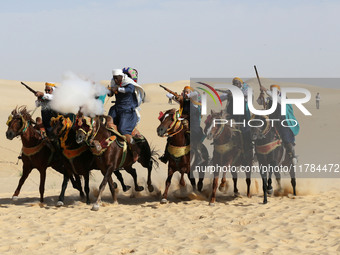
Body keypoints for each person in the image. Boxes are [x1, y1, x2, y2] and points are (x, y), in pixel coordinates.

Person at [159, 86, 205, 164]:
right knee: (171, 137)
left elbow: (195, 93)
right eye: (185, 91)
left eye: (187, 91)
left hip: (193, 125)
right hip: (183, 124)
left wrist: (186, 95)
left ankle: (200, 157)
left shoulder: (195, 100)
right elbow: (168, 95)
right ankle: (166, 156)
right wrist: (175, 96)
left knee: (194, 140)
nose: (186, 93)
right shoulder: (183, 101)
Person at [107, 69, 145, 162]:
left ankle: (135, 149)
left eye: (117, 78)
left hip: (127, 111)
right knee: (107, 125)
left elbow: (130, 90)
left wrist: (117, 89)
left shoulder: (128, 82)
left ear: (121, 76)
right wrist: (110, 91)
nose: (115, 81)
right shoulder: (114, 82)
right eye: (114, 78)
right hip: (116, 109)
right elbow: (111, 93)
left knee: (123, 130)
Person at [259, 84, 299, 164]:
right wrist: (261, 95)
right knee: (259, 131)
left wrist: (266, 90)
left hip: (281, 120)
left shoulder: (283, 97)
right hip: (271, 120)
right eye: (271, 91)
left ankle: (292, 155)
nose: (273, 93)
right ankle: (258, 153)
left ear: (278, 91)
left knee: (286, 135)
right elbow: (260, 102)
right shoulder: (269, 98)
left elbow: (277, 100)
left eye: (274, 91)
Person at [219, 77, 253, 165]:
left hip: (243, 118)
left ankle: (249, 155)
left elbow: (249, 96)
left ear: (240, 85)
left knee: (246, 135)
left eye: (237, 83)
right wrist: (228, 95)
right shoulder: (230, 91)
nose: (235, 85)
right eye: (234, 83)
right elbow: (220, 98)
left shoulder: (246, 90)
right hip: (231, 117)